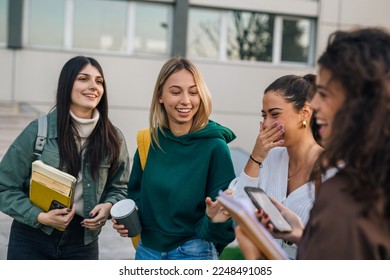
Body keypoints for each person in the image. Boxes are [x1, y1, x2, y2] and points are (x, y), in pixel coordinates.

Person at [235, 27, 390, 259]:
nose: (314, 105)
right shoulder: (350, 180)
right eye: (263, 115)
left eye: (325, 94)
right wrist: (303, 235)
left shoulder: (346, 187)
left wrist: (258, 260)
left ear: (361, 101)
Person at [0, 56, 130, 259]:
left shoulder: (113, 138)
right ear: (67, 84)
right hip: (32, 237)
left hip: (82, 242)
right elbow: (4, 186)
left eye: (99, 81)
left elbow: (119, 187)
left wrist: (109, 206)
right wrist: (40, 216)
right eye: (83, 78)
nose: (93, 86)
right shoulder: (38, 131)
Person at [113, 57, 236, 260]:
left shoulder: (215, 146)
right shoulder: (148, 141)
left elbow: (223, 227)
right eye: (176, 92)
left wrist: (216, 219)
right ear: (160, 95)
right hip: (147, 252)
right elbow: (135, 196)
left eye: (193, 92)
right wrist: (129, 218)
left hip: (194, 252)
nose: (186, 100)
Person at [229, 74, 335, 259]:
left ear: (305, 113)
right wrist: (256, 157)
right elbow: (238, 208)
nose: (267, 123)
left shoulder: (334, 172)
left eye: (275, 114)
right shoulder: (270, 158)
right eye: (264, 115)